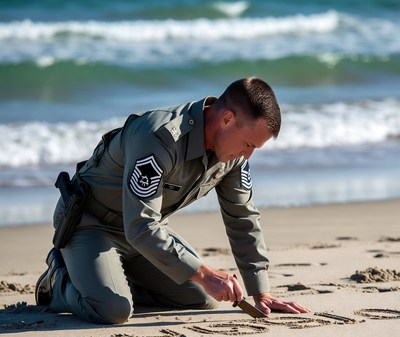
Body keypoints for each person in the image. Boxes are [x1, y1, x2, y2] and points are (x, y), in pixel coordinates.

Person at [35, 77, 310, 324]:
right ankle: (61, 278)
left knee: (203, 297)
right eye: (249, 144)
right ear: (227, 119)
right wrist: (204, 273)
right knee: (113, 311)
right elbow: (140, 225)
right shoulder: (159, 138)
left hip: (143, 236)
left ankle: (111, 279)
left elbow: (242, 217)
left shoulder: (233, 156)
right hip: (90, 224)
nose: (248, 156)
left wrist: (261, 291)